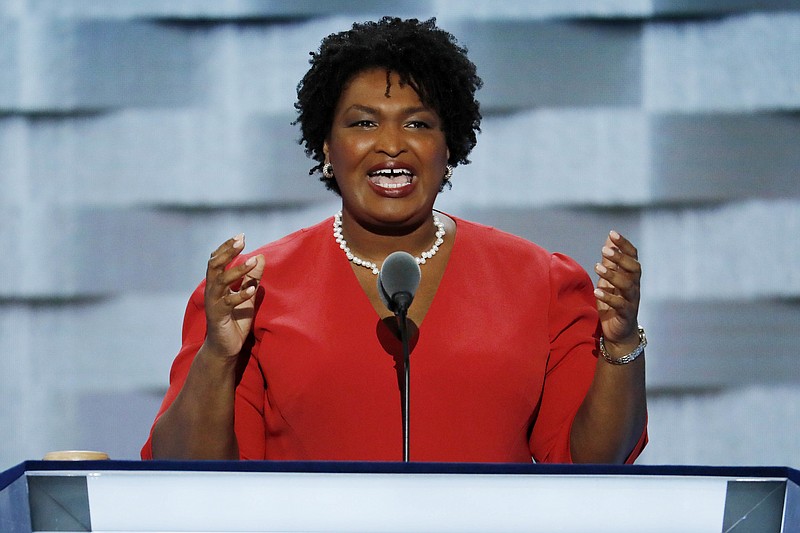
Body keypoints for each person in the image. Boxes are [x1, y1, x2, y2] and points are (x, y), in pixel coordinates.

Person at [142, 17, 647, 463]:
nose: (391, 144)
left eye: (418, 123)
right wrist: (219, 353)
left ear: (448, 146)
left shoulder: (543, 283)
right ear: (326, 144)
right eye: (363, 122)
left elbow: (590, 464)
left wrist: (620, 344)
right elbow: (186, 473)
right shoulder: (252, 290)